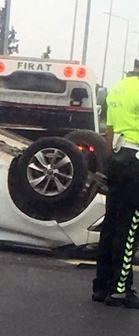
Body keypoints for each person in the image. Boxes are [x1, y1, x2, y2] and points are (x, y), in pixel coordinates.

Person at [92, 59, 139, 308]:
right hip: (136, 161)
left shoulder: (118, 89)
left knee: (111, 224)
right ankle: (121, 289)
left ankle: (102, 285)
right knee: (130, 227)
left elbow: (109, 132)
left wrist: (110, 162)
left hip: (119, 159)